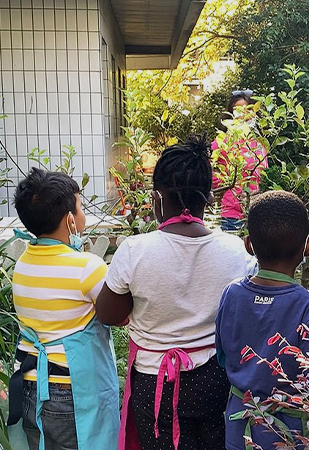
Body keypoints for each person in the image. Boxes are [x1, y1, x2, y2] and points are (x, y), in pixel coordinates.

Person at [95, 136, 257, 450]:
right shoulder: (234, 251)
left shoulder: (135, 251)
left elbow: (109, 314)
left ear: (157, 197)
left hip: (154, 381)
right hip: (214, 376)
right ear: (209, 198)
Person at [7, 168, 119, 450]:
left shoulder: (22, 265)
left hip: (30, 384)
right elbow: (119, 313)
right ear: (70, 220)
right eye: (81, 207)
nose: (83, 213)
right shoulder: (86, 267)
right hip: (71, 391)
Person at [215, 190, 309, 450]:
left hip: (239, 428)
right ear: (308, 246)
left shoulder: (232, 294)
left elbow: (223, 356)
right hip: (290, 435)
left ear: (249, 245)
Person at [213, 89, 268, 232]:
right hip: (232, 213)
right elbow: (208, 168)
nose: (242, 114)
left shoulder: (260, 143)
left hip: (257, 213)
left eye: (247, 109)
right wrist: (226, 184)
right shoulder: (224, 141)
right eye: (237, 110)